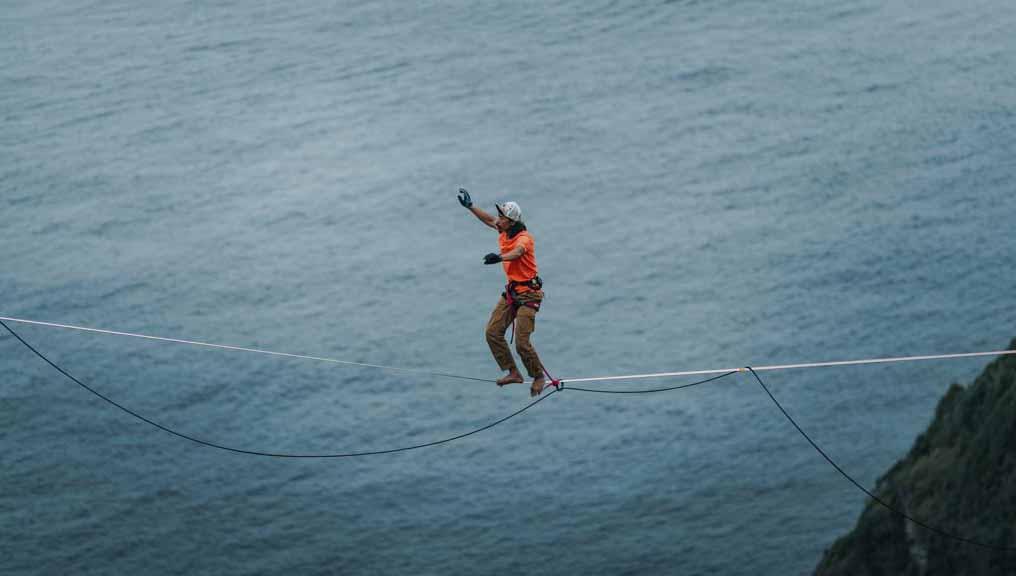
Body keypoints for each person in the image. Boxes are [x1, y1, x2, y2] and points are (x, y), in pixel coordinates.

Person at [457, 188, 548, 396]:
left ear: (512, 222)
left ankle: (539, 376)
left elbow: (517, 253)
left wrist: (499, 257)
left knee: (522, 343)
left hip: (529, 295)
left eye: (503, 217)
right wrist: (470, 207)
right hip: (512, 293)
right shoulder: (504, 230)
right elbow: (489, 220)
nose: (499, 220)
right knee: (492, 333)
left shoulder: (524, 238)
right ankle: (514, 372)